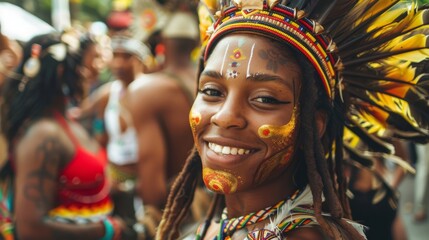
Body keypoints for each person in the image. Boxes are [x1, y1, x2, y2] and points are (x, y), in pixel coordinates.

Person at [156, 0, 429, 239]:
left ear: (313, 125)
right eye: (212, 91)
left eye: (265, 99)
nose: (225, 117)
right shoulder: (225, 226)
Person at [1, 32, 127, 239]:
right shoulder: (44, 135)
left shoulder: (64, 122)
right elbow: (31, 229)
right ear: (61, 72)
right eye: (81, 66)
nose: (86, 73)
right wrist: (108, 230)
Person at [69, 34, 153, 231]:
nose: (118, 63)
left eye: (126, 56)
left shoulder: (152, 92)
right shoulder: (110, 92)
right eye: (115, 55)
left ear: (141, 60)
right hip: (114, 179)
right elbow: (78, 115)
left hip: (145, 182)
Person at [128, 10, 199, 210]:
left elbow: (153, 192)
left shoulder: (146, 91)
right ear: (196, 43)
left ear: (161, 41)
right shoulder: (214, 83)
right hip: (215, 210)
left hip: (174, 215)